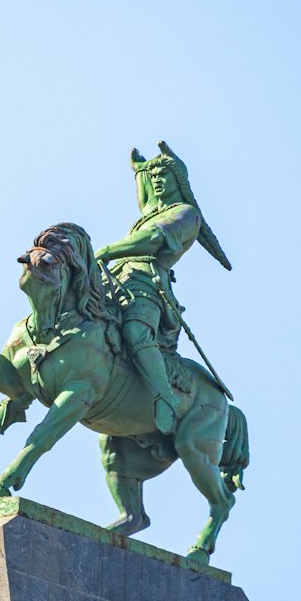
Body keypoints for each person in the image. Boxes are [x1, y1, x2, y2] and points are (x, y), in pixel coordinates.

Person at [95, 142, 231, 434]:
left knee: (135, 331)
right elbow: (146, 198)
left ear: (177, 181)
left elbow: (154, 239)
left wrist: (107, 249)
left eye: (163, 175)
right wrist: (139, 170)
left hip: (147, 283)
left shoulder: (186, 213)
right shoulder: (150, 212)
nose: (156, 179)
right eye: (153, 176)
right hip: (115, 278)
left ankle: (164, 397)